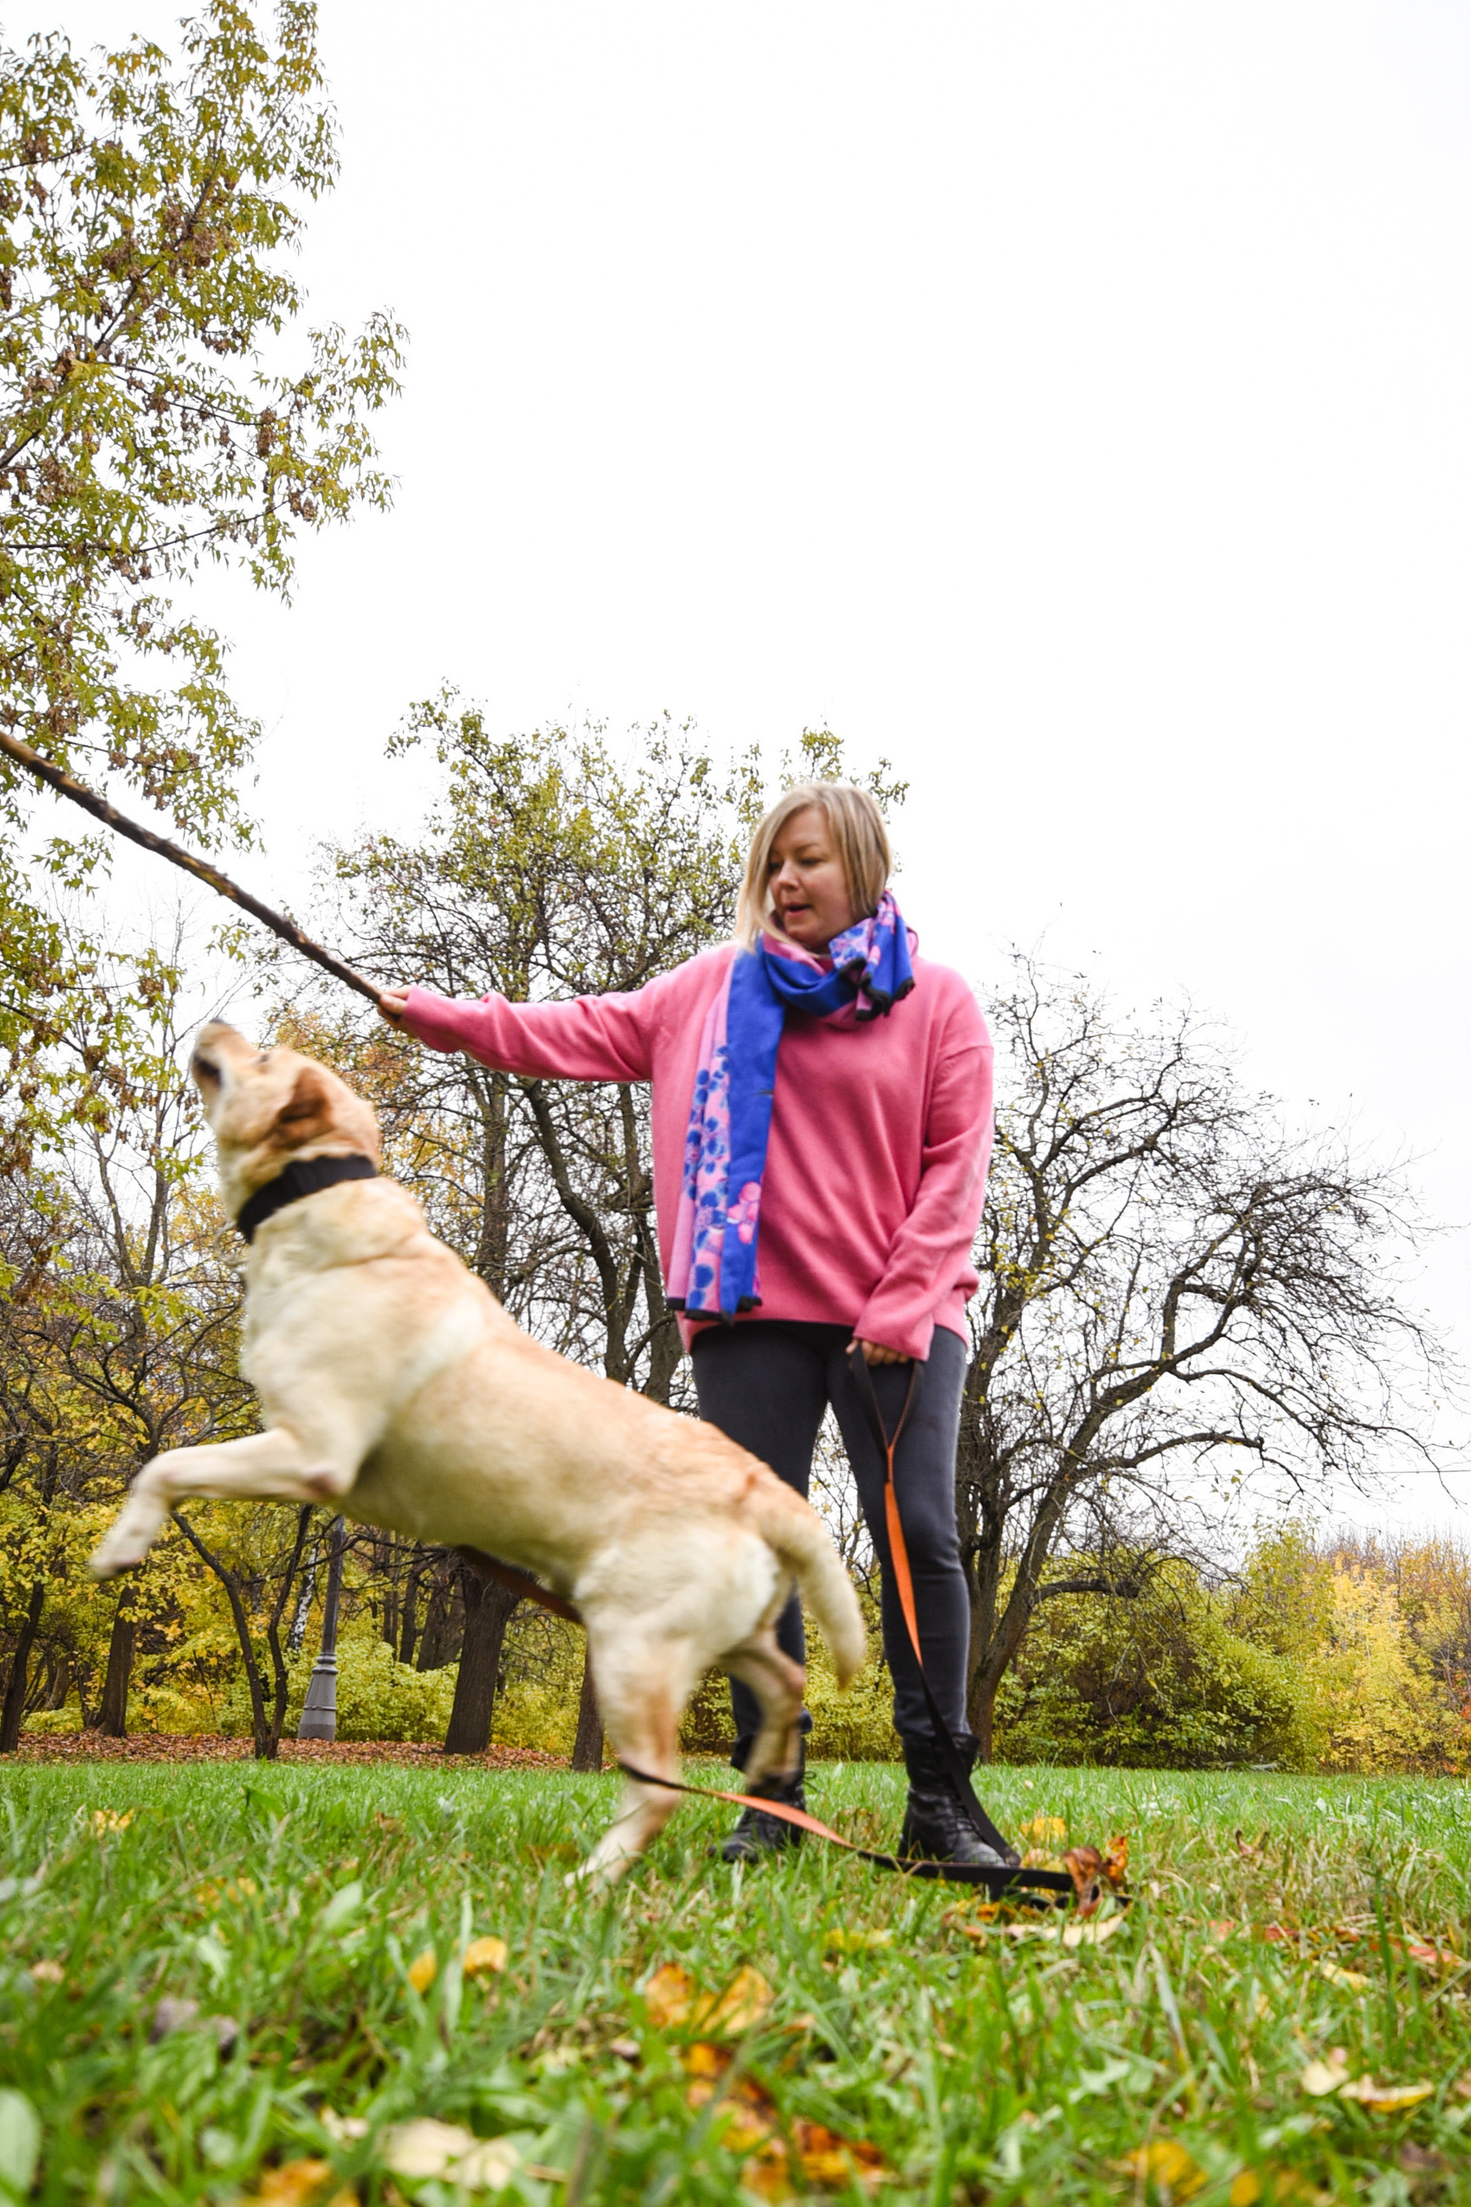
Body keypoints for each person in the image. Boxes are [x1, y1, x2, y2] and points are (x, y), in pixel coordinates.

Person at [376, 782, 1017, 1873]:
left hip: (895, 1315)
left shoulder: (938, 1004)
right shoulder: (706, 993)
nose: (783, 882)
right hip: (747, 1310)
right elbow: (567, 1030)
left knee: (918, 1531)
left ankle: (941, 1805)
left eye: (806, 860)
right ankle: (773, 1798)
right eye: (771, 864)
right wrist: (445, 1018)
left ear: (861, 867)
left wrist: (905, 1301)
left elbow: (955, 1167)